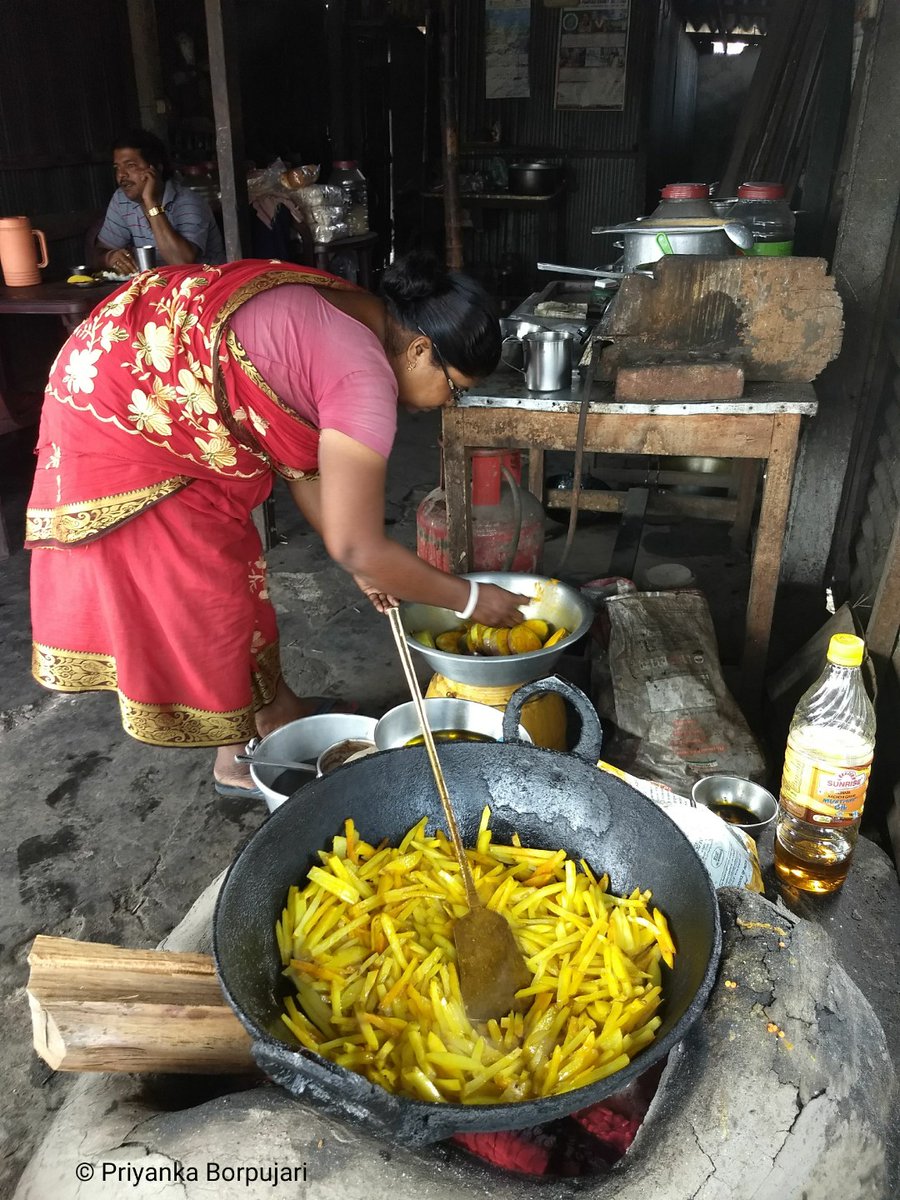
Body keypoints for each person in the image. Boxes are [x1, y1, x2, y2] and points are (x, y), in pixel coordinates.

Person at [26, 253, 527, 797]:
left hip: (138, 368)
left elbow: (306, 464)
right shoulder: (363, 378)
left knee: (238, 574)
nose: (446, 405)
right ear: (421, 349)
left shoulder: (362, 314)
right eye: (454, 389)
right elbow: (356, 540)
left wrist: (361, 561)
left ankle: (279, 713)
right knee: (207, 595)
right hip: (128, 416)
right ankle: (239, 755)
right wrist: (471, 599)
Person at [93, 129, 225, 275]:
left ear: (156, 168)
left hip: (204, 287)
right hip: (159, 288)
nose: (121, 175)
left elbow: (182, 262)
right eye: (117, 167)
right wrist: (109, 257)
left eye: (130, 166)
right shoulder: (121, 200)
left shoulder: (189, 202)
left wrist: (150, 202)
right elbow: (97, 253)